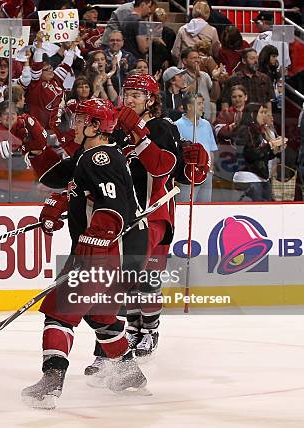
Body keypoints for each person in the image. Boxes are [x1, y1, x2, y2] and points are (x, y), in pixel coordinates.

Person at [20, 98, 149, 408]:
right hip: (115, 253)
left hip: (104, 252)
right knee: (100, 315)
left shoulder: (100, 157)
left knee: (59, 313)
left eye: (80, 120)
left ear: (95, 127)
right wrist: (65, 200)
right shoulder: (88, 157)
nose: (73, 124)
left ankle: (51, 384)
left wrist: (94, 244)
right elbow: (85, 192)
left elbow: (114, 208)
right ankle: (129, 373)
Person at [84, 74, 208, 373]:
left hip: (154, 212)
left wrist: (139, 131)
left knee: (143, 278)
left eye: (137, 95)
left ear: (151, 100)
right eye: (127, 94)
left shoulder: (161, 127)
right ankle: (120, 338)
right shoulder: (120, 131)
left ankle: (148, 331)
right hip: (125, 213)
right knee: (122, 282)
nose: (129, 99)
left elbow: (165, 166)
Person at [232, 103, 285, 201]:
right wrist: (270, 145)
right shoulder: (245, 129)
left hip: (261, 177)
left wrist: (276, 150)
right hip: (249, 178)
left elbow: (261, 155)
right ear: (252, 114)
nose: (264, 115)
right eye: (261, 112)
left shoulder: (258, 130)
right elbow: (250, 154)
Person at [174, 92, 217, 202]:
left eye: (202, 103)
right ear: (189, 107)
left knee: (205, 209)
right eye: (199, 103)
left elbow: (211, 149)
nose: (202, 106)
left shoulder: (206, 124)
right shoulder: (177, 125)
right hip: (187, 175)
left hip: (206, 174)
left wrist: (210, 169)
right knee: (185, 207)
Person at [171, 1, 220, 66]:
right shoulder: (212, 30)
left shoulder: (182, 29)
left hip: (184, 68)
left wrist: (181, 63)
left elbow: (175, 53)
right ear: (208, 13)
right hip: (203, 68)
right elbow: (216, 52)